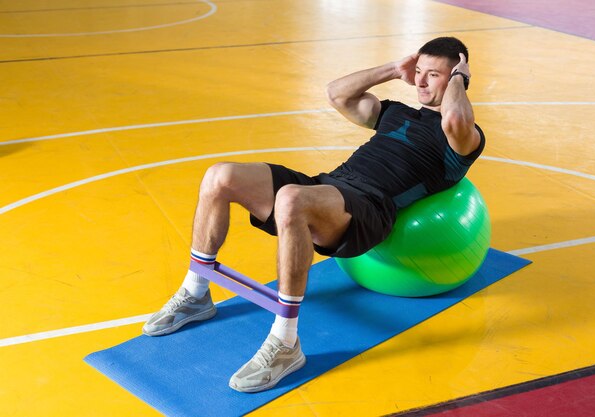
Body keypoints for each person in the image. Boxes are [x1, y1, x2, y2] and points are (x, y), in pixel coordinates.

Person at [142, 36, 485, 393]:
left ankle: (286, 343)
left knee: (290, 198)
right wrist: (392, 69)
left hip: (368, 210)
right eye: (418, 72)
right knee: (220, 176)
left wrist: (461, 79)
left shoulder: (463, 138)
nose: (420, 81)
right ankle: (196, 292)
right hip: (329, 186)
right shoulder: (396, 112)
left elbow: (456, 117)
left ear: (457, 78)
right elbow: (337, 94)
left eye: (434, 75)